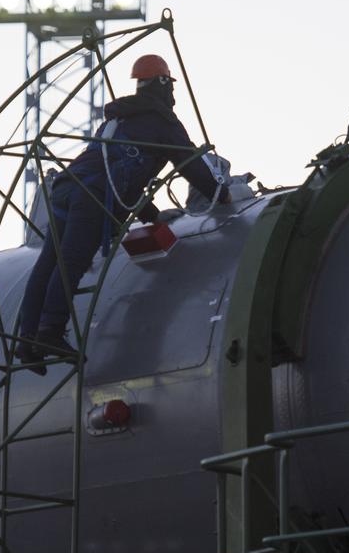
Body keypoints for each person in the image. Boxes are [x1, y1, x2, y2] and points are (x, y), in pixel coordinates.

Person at [16, 53, 228, 366]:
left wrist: (149, 212)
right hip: (92, 195)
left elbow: (122, 167)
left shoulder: (119, 117)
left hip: (68, 187)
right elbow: (192, 166)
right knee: (73, 260)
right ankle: (50, 330)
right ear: (163, 84)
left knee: (49, 262)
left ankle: (25, 340)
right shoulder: (162, 122)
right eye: (170, 86)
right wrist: (220, 193)